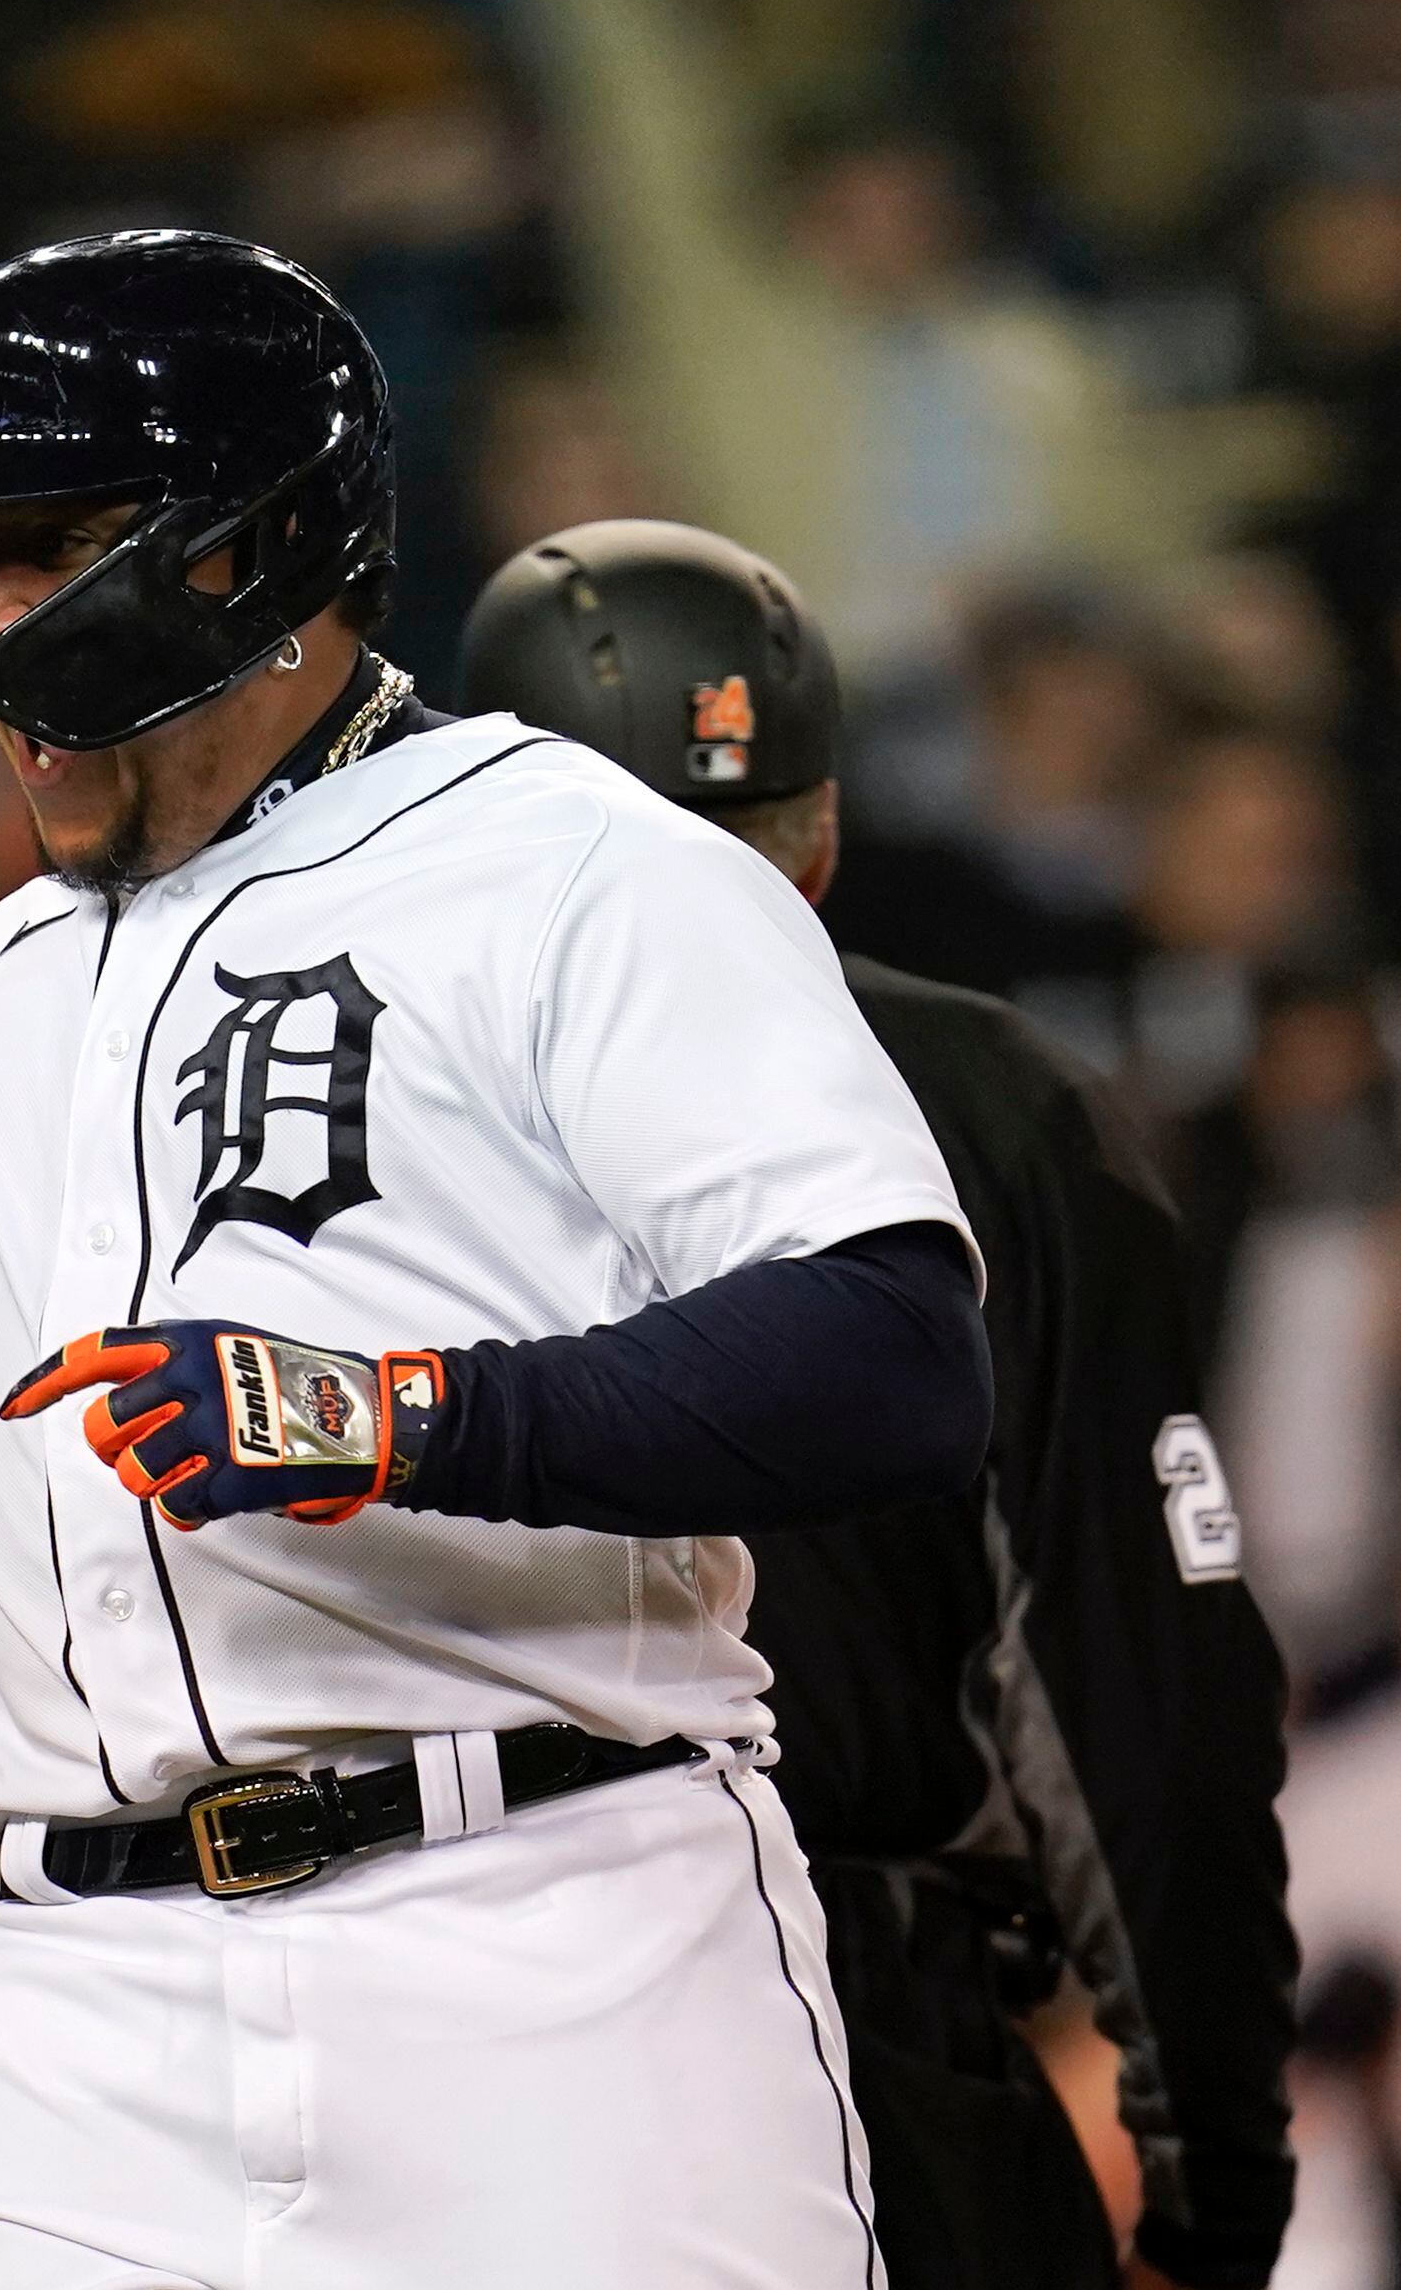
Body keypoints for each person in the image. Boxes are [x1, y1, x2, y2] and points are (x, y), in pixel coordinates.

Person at [0, 231, 989, 2287]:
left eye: (30, 549)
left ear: (246, 549)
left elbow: (890, 1353)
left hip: (543, 1946)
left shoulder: (566, 865)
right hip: (80, 2013)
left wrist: (399, 1415)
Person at [456, 518, 1298, 2290]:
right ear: (824, 830)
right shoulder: (982, 1106)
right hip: (845, 2035)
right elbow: (1134, 1693)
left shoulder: (298, 1104)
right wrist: (1208, 2174)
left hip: (407, 2027)